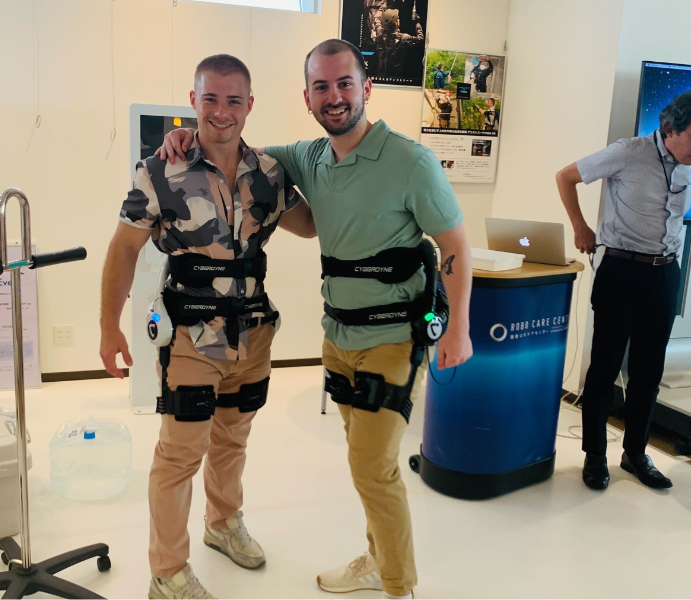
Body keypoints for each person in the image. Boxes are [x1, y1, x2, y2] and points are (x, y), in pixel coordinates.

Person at [159, 38, 472, 600]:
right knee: (365, 462)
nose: (335, 96)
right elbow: (231, 147)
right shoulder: (307, 157)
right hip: (339, 336)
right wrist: (184, 137)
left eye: (345, 83)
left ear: (366, 87)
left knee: (373, 468)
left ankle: (398, 586)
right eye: (321, 86)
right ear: (307, 97)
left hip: (393, 337)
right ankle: (378, 559)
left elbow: (455, 245)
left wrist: (458, 329)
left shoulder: (411, 161)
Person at [99, 54, 316, 600]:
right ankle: (167, 573)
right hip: (191, 335)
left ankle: (222, 524)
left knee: (232, 440)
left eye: (233, 100)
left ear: (250, 104)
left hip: (254, 332)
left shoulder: (270, 174)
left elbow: (311, 226)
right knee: (179, 455)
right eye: (211, 99)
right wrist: (108, 327)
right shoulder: (158, 171)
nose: (222, 111)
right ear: (193, 100)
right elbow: (124, 249)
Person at [555, 90, 691, 492]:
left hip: (664, 274)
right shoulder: (629, 152)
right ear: (670, 128)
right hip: (622, 270)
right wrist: (580, 227)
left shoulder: (688, 166)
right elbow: (566, 176)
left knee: (648, 371)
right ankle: (594, 455)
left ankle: (636, 453)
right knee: (605, 368)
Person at [375, 9, 424, 79]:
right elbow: (420, 40)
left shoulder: (380, 34)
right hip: (397, 78)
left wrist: (382, 9)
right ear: (396, 22)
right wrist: (417, 23)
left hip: (381, 77)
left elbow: (377, 19)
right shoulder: (404, 38)